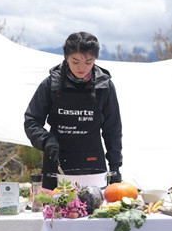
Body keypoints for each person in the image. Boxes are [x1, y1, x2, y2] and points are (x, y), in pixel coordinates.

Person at [24, 32, 122, 190]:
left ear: (95, 59)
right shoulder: (51, 84)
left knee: (93, 210)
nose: (82, 68)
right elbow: (31, 120)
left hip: (93, 165)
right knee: (56, 211)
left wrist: (115, 168)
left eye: (88, 62)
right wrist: (46, 141)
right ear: (66, 57)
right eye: (75, 62)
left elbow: (113, 130)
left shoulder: (104, 86)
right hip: (57, 163)